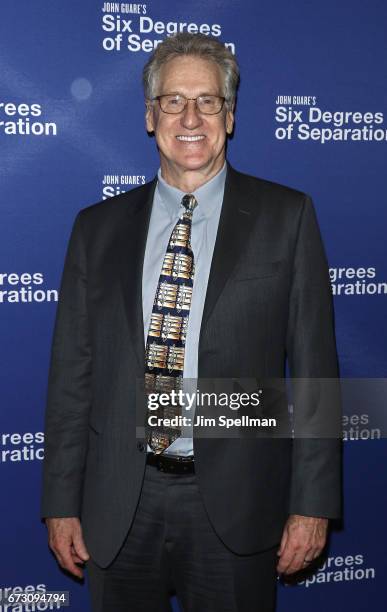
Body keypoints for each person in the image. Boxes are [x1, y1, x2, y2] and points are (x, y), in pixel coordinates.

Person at [41, 33, 341, 612]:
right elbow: (70, 377)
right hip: (117, 501)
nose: (191, 117)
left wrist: (312, 505)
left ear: (229, 117)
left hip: (237, 500)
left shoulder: (287, 216)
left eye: (208, 101)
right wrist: (60, 500)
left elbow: (314, 369)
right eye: (174, 101)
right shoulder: (96, 229)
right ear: (151, 116)